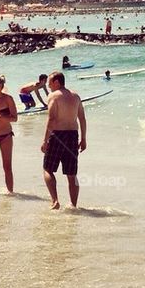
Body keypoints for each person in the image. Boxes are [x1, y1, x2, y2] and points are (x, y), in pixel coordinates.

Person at [41, 72, 87, 209]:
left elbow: (52, 119)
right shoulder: (76, 96)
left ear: (57, 82)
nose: (48, 86)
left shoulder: (53, 96)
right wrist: (84, 138)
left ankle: (55, 201)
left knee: (48, 169)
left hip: (57, 136)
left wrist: (45, 140)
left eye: (50, 82)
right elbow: (82, 119)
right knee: (72, 174)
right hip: (73, 135)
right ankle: (73, 205)